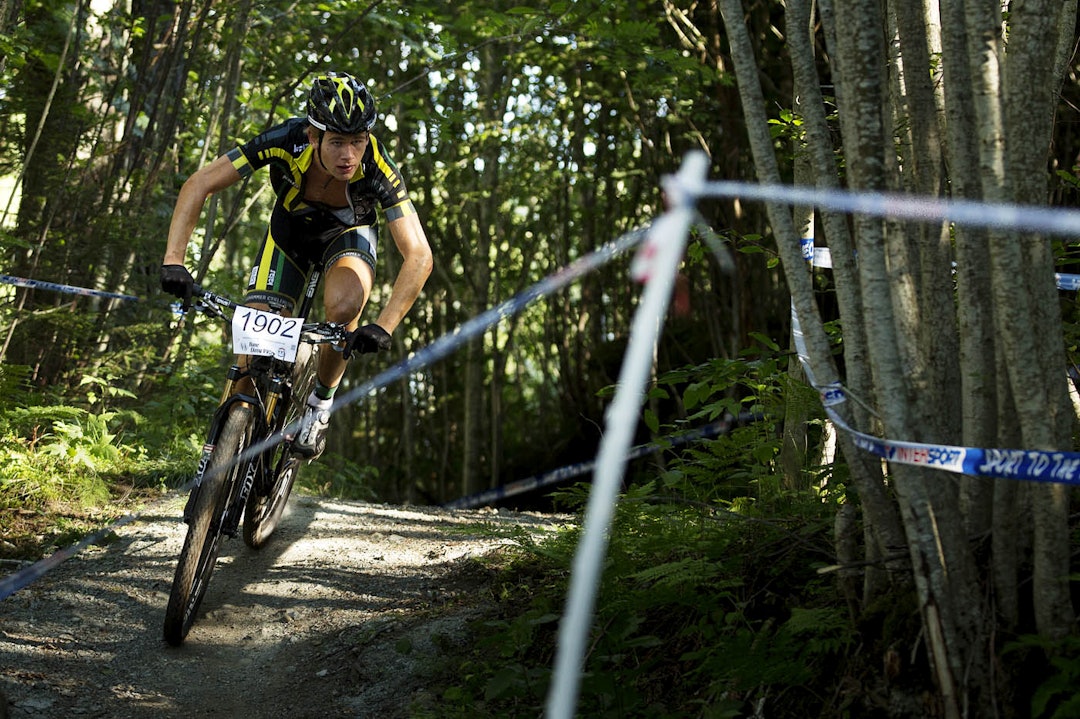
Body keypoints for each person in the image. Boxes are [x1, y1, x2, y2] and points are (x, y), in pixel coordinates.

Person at [160, 71, 433, 458]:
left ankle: (320, 405)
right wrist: (174, 261)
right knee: (253, 348)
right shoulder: (285, 140)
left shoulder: (377, 167)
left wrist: (383, 326)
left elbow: (419, 255)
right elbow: (200, 183)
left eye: (358, 141)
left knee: (342, 308)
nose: (349, 155)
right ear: (312, 135)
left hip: (347, 237)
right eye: (338, 142)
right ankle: (222, 449)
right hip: (290, 234)